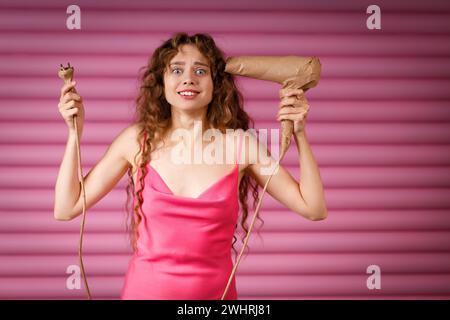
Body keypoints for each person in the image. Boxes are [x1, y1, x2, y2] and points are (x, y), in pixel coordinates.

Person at [54, 32, 327, 300]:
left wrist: (300, 134)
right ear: (162, 81)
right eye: (176, 70)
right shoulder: (136, 140)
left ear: (215, 83)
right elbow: (67, 208)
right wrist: (73, 134)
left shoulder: (241, 146)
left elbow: (313, 208)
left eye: (200, 71)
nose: (188, 78)